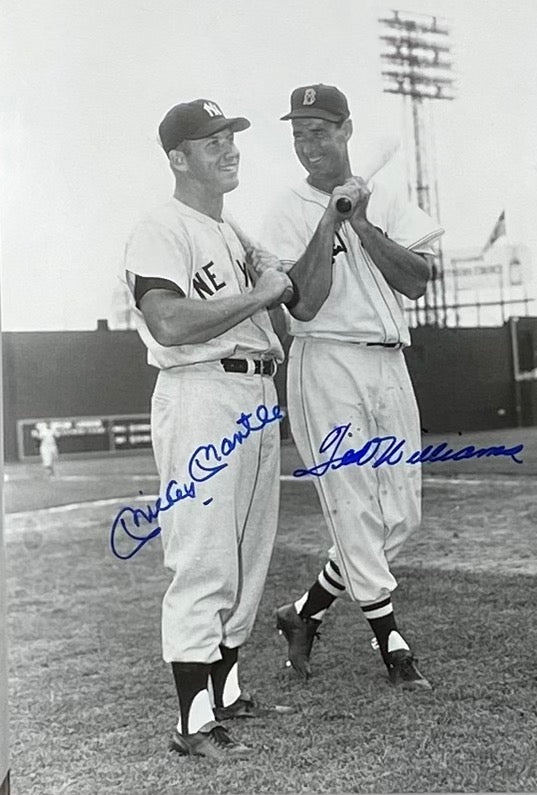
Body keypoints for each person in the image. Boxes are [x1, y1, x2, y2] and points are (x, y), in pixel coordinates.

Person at [123, 98, 294, 760]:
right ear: (177, 157)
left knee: (249, 550)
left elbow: (290, 297)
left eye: (231, 138)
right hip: (200, 393)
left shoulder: (229, 229)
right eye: (211, 140)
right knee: (203, 553)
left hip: (253, 388)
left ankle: (224, 691)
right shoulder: (161, 227)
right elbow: (167, 321)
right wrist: (261, 293)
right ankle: (191, 721)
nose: (229, 149)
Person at [263, 84, 444, 690]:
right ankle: (392, 644)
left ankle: (304, 614)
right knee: (354, 507)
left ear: (346, 131)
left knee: (402, 517)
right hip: (327, 362)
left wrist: (362, 222)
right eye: (298, 134)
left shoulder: (385, 195)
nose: (308, 145)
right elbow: (306, 305)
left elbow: (419, 281)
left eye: (319, 131)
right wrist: (327, 221)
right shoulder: (283, 209)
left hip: (390, 362)